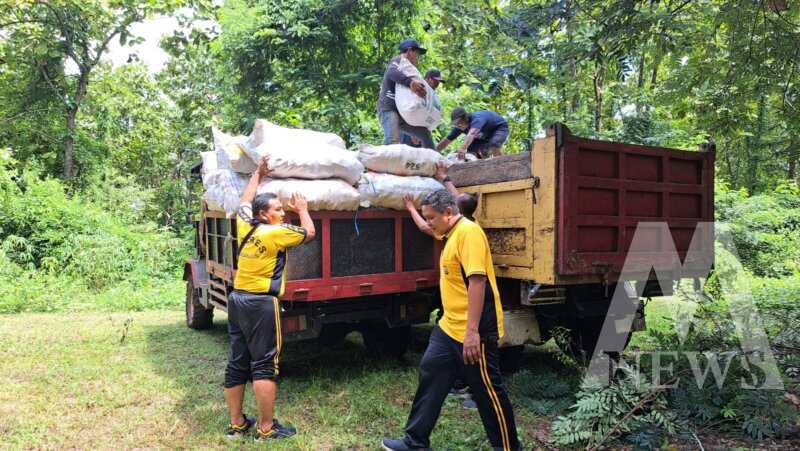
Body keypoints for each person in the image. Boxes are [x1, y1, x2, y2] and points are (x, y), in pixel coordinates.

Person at [384, 189, 521, 451]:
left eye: (432, 217)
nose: (430, 222)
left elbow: (477, 282)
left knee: (488, 392)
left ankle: (508, 448)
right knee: (431, 372)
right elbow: (427, 228)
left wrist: (472, 333)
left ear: (448, 213)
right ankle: (415, 442)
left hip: (475, 330)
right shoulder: (449, 231)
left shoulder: (469, 233)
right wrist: (411, 209)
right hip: (449, 327)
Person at [223, 155, 316, 441]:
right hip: (261, 303)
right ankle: (266, 428)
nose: (282, 213)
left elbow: (245, 200)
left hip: (237, 300)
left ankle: (237, 424)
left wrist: (258, 174)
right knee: (265, 364)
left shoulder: (244, 225)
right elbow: (310, 233)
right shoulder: (276, 232)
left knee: (238, 361)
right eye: (277, 209)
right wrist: (302, 209)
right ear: (264, 215)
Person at [378, 38, 436, 149]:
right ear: (409, 51)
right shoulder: (398, 60)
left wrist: (415, 121)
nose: (418, 57)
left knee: (424, 133)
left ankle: (434, 163)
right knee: (392, 141)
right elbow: (391, 72)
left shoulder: (409, 69)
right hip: (389, 108)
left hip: (402, 112)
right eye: (417, 53)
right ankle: (376, 165)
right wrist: (410, 83)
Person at [437, 107, 509, 159]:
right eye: (455, 124)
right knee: (471, 152)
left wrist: (462, 149)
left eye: (459, 123)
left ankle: (500, 162)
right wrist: (433, 151)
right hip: (483, 137)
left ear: (466, 118)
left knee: (494, 143)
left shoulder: (477, 119)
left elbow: (472, 133)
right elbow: (446, 141)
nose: (458, 126)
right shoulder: (459, 127)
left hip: (499, 128)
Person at [401, 69, 446, 147]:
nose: (438, 83)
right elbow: (413, 109)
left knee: (420, 157)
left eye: (439, 81)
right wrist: (413, 134)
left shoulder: (430, 93)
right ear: (428, 79)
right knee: (406, 156)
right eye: (436, 80)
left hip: (422, 131)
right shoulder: (420, 88)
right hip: (411, 131)